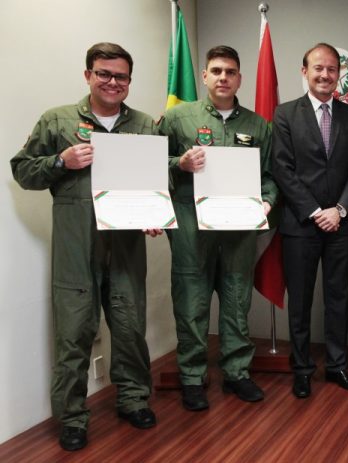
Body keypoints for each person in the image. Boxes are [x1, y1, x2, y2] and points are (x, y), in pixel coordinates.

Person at [10, 42, 157, 451]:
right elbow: (22, 170)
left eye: (121, 76)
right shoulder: (57, 120)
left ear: (129, 80)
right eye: (104, 74)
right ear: (88, 75)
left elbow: (154, 181)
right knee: (73, 332)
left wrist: (154, 215)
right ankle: (72, 417)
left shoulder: (145, 125)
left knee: (129, 327)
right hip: (76, 247)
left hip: (126, 245)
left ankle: (132, 399)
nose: (113, 82)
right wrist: (61, 161)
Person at [159, 46, 277, 411]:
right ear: (205, 76)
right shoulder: (179, 118)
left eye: (230, 71)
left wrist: (269, 201)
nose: (223, 77)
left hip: (240, 228)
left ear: (240, 78)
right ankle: (193, 377)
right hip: (192, 226)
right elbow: (151, 165)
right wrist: (178, 162)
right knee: (192, 302)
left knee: (237, 299)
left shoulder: (258, 125)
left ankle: (237, 372)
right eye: (216, 70)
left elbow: (270, 176)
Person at [272, 43, 348, 398]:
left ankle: (337, 366)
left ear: (339, 75)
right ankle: (301, 369)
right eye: (318, 68)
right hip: (301, 224)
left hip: (341, 224)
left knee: (338, 297)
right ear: (304, 72)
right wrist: (315, 211)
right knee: (299, 301)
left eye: (331, 69)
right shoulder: (284, 115)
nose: (325, 75)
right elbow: (281, 169)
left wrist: (340, 209)